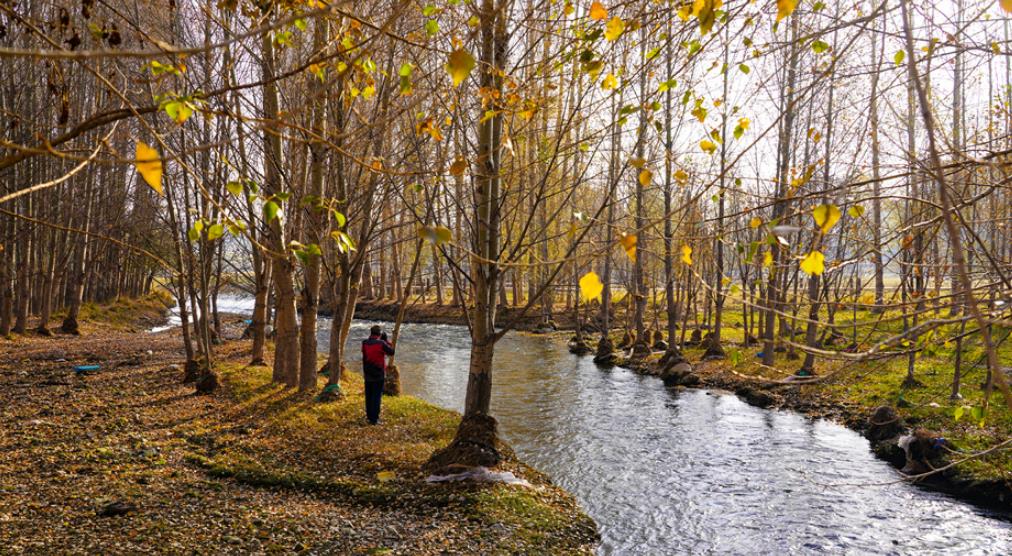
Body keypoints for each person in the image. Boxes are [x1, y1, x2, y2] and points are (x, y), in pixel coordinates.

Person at [361, 324, 394, 425]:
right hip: (378, 373)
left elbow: (365, 352)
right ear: (379, 334)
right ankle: (374, 419)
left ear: (371, 333)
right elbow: (391, 352)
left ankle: (369, 416)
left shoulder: (364, 343)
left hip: (367, 373)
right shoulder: (381, 343)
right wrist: (386, 340)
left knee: (369, 395)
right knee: (376, 396)